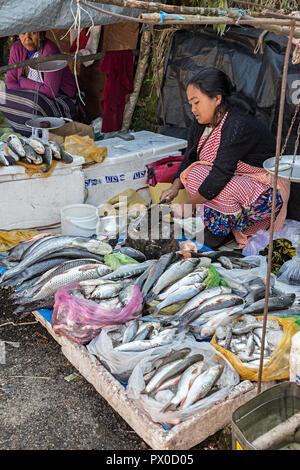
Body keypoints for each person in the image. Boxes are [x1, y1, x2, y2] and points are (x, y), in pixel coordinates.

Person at [160, 67, 290, 249]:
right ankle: (224, 226)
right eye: (190, 104)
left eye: (196, 102)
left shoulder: (237, 124)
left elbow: (221, 173)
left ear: (217, 99)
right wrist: (174, 187)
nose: (193, 109)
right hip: (238, 181)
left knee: (225, 185)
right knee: (195, 173)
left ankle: (225, 228)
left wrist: (188, 205)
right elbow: (189, 157)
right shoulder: (201, 124)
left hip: (266, 193)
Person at [0, 32, 80, 136]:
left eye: (33, 33)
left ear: (41, 34)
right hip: (32, 96)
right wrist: (25, 94)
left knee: (33, 103)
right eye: (23, 33)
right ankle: (22, 130)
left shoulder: (50, 50)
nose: (27, 38)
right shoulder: (17, 47)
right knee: (3, 97)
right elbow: (10, 82)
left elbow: (49, 91)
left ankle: (34, 134)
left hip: (59, 99)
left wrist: (21, 81)